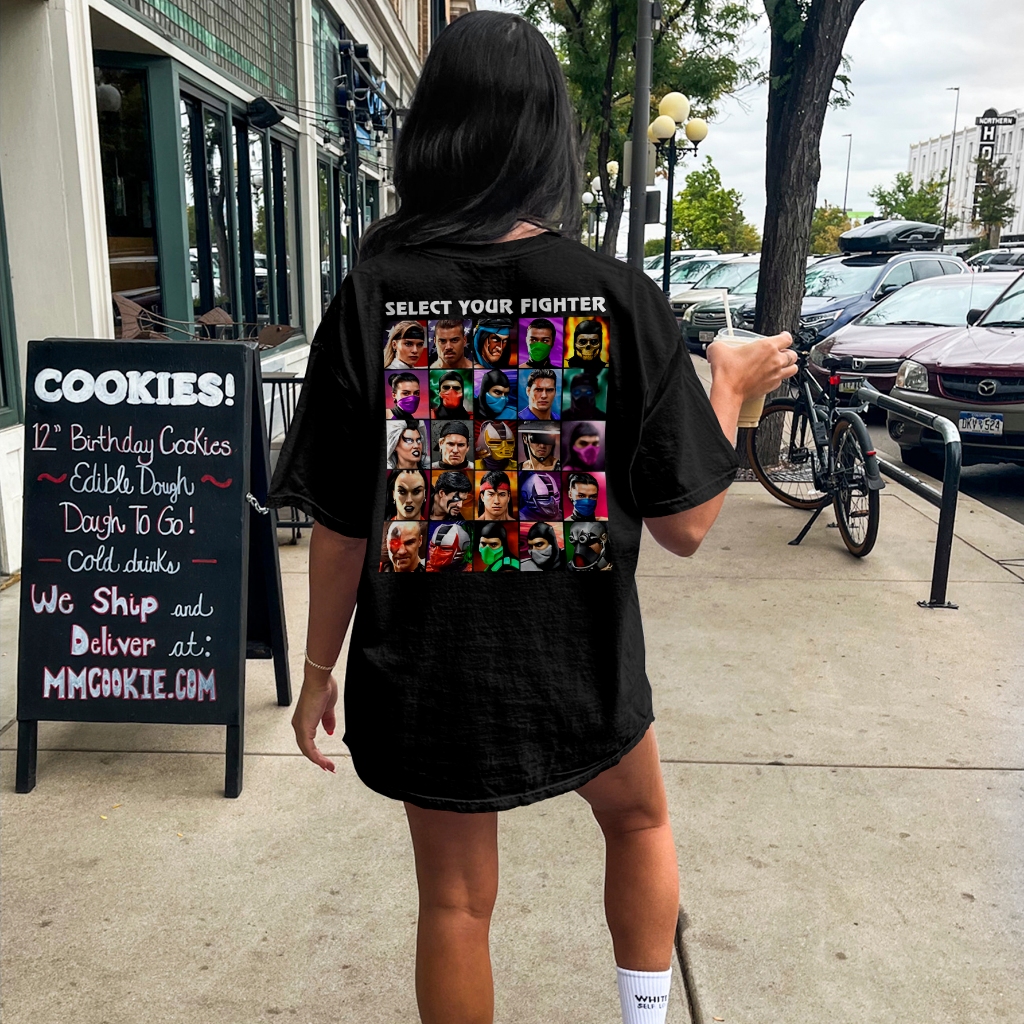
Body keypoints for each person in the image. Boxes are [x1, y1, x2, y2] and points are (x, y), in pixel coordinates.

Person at [268, 12, 797, 1024]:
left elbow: (339, 523)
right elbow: (687, 525)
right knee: (639, 822)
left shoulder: (374, 293)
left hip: (426, 669)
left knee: (454, 903)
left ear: (434, 132)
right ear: (550, 138)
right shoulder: (613, 296)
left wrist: (319, 670)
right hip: (578, 659)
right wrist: (729, 388)